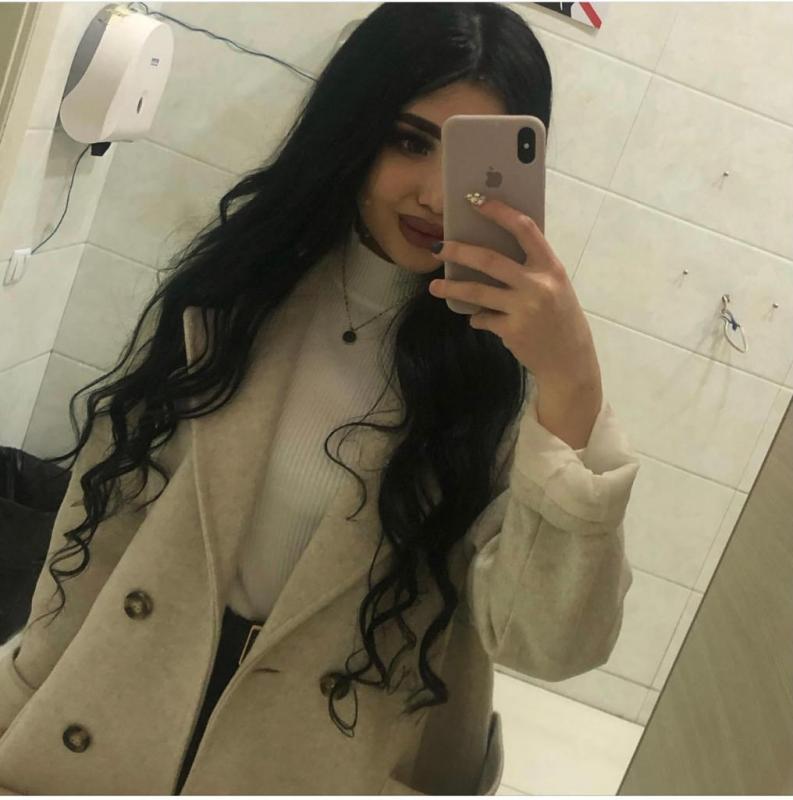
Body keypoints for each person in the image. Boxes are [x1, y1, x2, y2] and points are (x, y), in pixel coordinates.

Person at [0, 3, 641, 795]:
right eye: (410, 141)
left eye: (469, 162)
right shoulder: (234, 297)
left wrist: (573, 385)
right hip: (119, 714)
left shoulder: (505, 381)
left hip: (326, 757)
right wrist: (24, 687)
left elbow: (549, 645)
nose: (436, 195)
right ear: (353, 128)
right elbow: (105, 515)